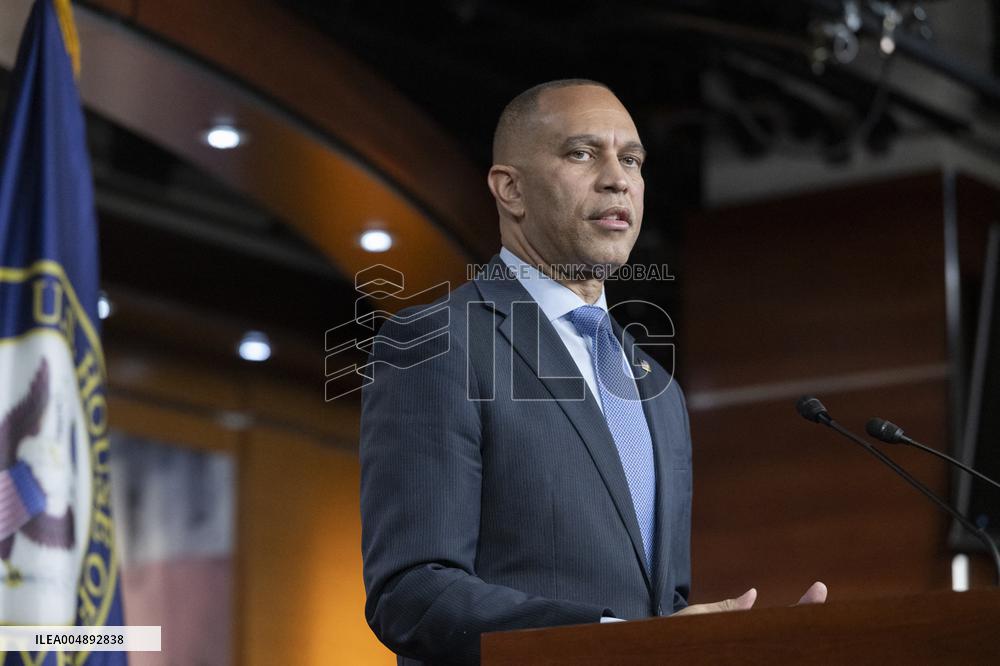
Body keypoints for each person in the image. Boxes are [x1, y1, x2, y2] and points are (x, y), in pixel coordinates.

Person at [359, 79, 826, 666]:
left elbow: (662, 613)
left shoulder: (659, 390)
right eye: (582, 153)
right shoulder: (437, 344)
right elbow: (413, 595)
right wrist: (614, 641)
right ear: (510, 189)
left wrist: (732, 648)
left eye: (632, 160)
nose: (618, 179)